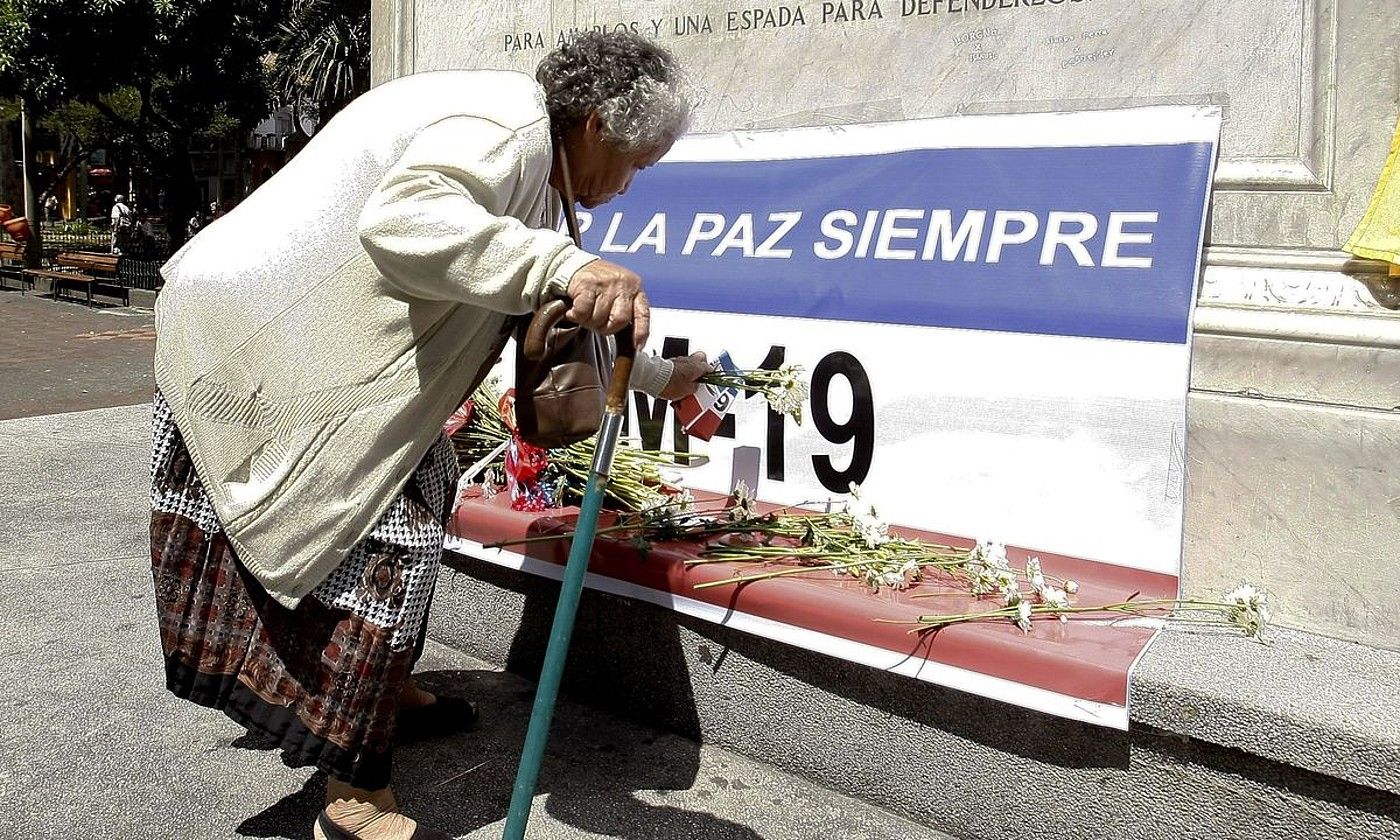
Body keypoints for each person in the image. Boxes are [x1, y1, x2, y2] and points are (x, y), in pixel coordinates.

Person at [150, 32, 704, 840]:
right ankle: (351, 787)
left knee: (430, 480)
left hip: (300, 353)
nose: (626, 187)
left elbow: (563, 312)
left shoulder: (542, 178)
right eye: (635, 164)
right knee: (395, 536)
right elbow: (406, 221)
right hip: (254, 347)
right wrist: (563, 265)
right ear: (593, 125)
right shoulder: (506, 129)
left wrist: (663, 376)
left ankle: (380, 688)